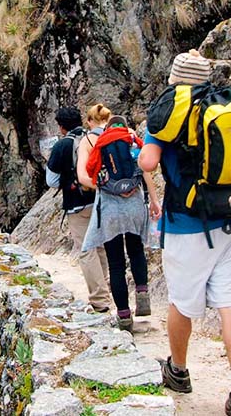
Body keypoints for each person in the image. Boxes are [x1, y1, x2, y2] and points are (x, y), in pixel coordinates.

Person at [139, 51, 231, 413]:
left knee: (181, 303)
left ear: (175, 78)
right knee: (228, 305)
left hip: (185, 224)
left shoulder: (168, 113)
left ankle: (178, 370)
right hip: (226, 218)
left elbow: (147, 161)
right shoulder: (222, 106)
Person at [77, 104, 161, 332]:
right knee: (136, 251)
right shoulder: (131, 139)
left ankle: (124, 315)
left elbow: (85, 175)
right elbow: (146, 171)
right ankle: (142, 292)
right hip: (134, 204)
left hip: (110, 210)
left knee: (116, 263)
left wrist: (108, 187)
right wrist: (154, 200)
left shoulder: (95, 142)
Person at [46, 106, 111, 313]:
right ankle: (108, 288)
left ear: (61, 126)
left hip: (77, 204)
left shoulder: (62, 146)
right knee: (100, 247)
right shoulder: (91, 138)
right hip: (101, 199)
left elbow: (52, 181)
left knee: (86, 250)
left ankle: (100, 300)